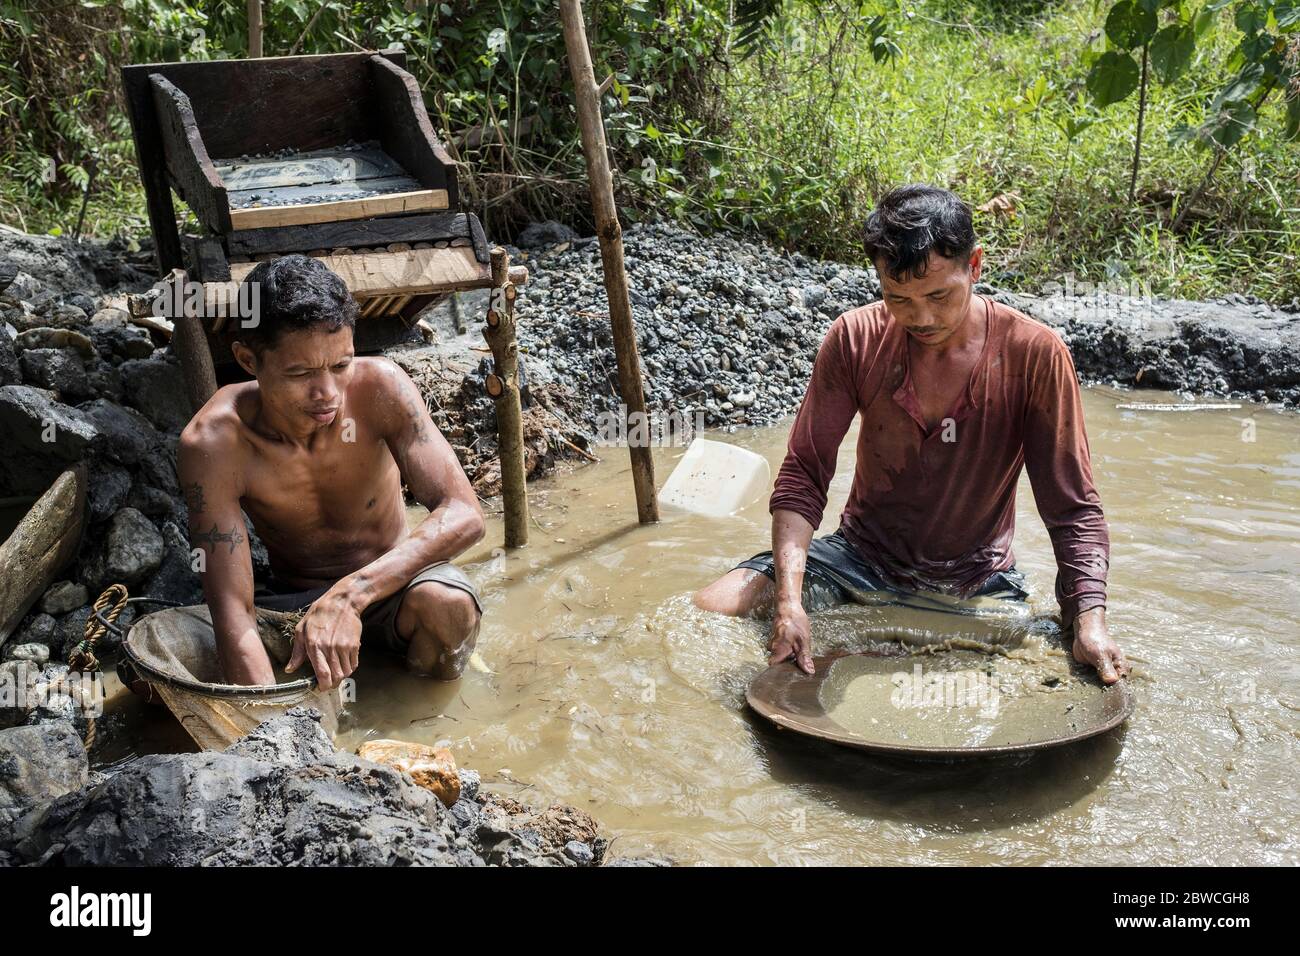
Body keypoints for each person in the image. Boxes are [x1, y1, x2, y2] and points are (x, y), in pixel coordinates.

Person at [693, 184, 1129, 684]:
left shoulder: (1034, 354)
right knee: (710, 609)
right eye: (897, 298)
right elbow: (804, 475)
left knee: (1043, 674)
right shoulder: (854, 338)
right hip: (859, 560)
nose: (921, 318)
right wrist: (790, 604)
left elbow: (1072, 507)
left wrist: (1090, 618)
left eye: (940, 296)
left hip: (977, 582)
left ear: (976, 266)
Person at [177, 254, 484, 689]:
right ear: (248, 361)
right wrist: (272, 730)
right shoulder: (214, 442)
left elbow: (465, 514)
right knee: (159, 672)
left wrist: (352, 595)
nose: (327, 394)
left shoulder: (382, 387)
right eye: (299, 372)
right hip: (290, 603)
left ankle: (407, 695)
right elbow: (232, 608)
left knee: (449, 607)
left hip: (391, 586)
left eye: (341, 365)